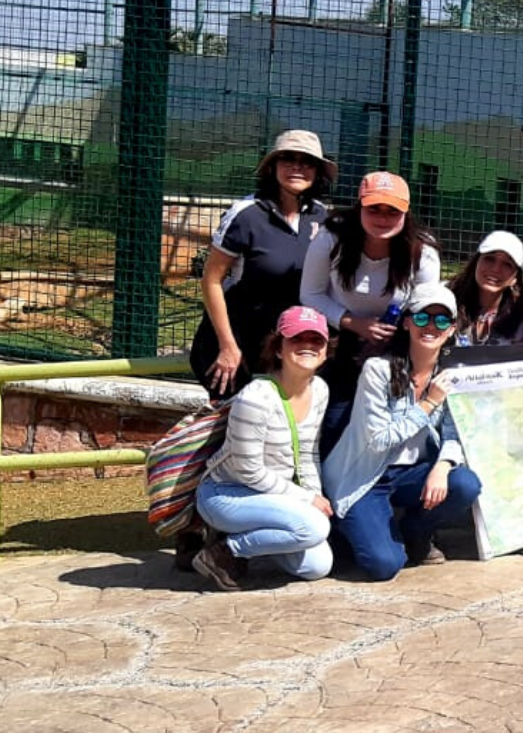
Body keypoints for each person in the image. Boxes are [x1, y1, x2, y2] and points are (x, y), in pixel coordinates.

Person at [322, 284, 482, 580]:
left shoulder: (450, 375)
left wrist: (443, 467)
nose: (431, 326)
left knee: (464, 484)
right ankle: (349, 528)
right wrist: (428, 403)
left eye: (441, 320)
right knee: (384, 566)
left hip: (413, 473)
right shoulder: (377, 370)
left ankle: (416, 530)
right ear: (407, 322)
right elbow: (379, 439)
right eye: (422, 318)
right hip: (366, 476)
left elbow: (455, 433)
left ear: (451, 329)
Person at [191, 306, 334, 591]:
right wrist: (306, 500)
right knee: (314, 527)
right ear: (279, 349)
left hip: (273, 495)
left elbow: (307, 453)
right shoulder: (256, 398)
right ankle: (225, 551)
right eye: (296, 339)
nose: (307, 345)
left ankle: (248, 544)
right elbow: (248, 470)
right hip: (228, 493)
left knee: (317, 566)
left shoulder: (319, 389)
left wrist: (315, 495)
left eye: (316, 340)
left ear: (326, 350)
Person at [300, 171, 441, 453]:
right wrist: (354, 323)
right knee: (335, 420)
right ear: (359, 207)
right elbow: (310, 294)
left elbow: (425, 306)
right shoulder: (332, 238)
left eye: (393, 211)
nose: (382, 218)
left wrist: (392, 340)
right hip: (341, 340)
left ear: (406, 213)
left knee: (383, 425)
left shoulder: (422, 252)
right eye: (374, 208)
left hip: (397, 342)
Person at [191, 130, 334, 401]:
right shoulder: (247, 214)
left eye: (306, 162)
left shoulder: (321, 216)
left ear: (318, 171)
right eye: (287, 159)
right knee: (233, 429)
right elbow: (211, 280)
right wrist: (227, 346)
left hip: (287, 343)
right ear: (272, 167)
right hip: (239, 342)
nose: (296, 167)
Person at [444, 230, 523, 349]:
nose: (495, 269)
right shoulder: (443, 299)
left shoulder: (521, 320)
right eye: (489, 259)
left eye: (507, 264)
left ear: (515, 279)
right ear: (476, 262)